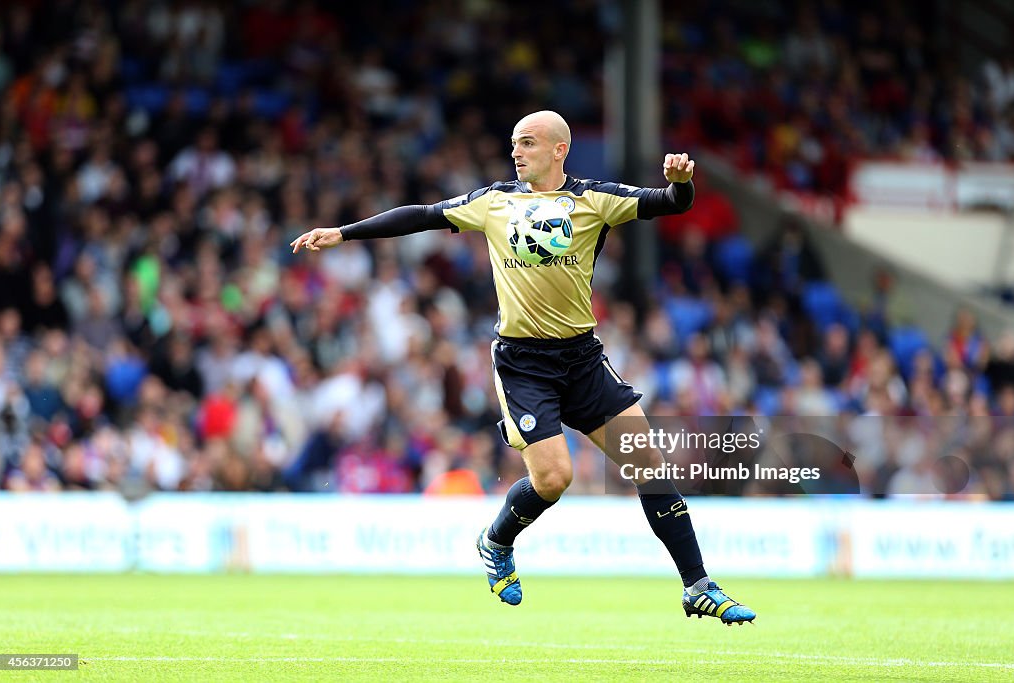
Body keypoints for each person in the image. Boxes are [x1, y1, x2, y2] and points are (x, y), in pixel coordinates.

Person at [291, 110, 755, 624]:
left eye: (528, 143)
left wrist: (682, 183)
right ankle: (497, 540)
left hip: (582, 359)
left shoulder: (593, 199)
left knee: (648, 466)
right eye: (514, 143)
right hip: (524, 365)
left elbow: (669, 204)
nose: (517, 152)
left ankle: (697, 585)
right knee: (555, 478)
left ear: (560, 150)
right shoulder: (493, 202)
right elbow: (422, 215)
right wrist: (344, 233)